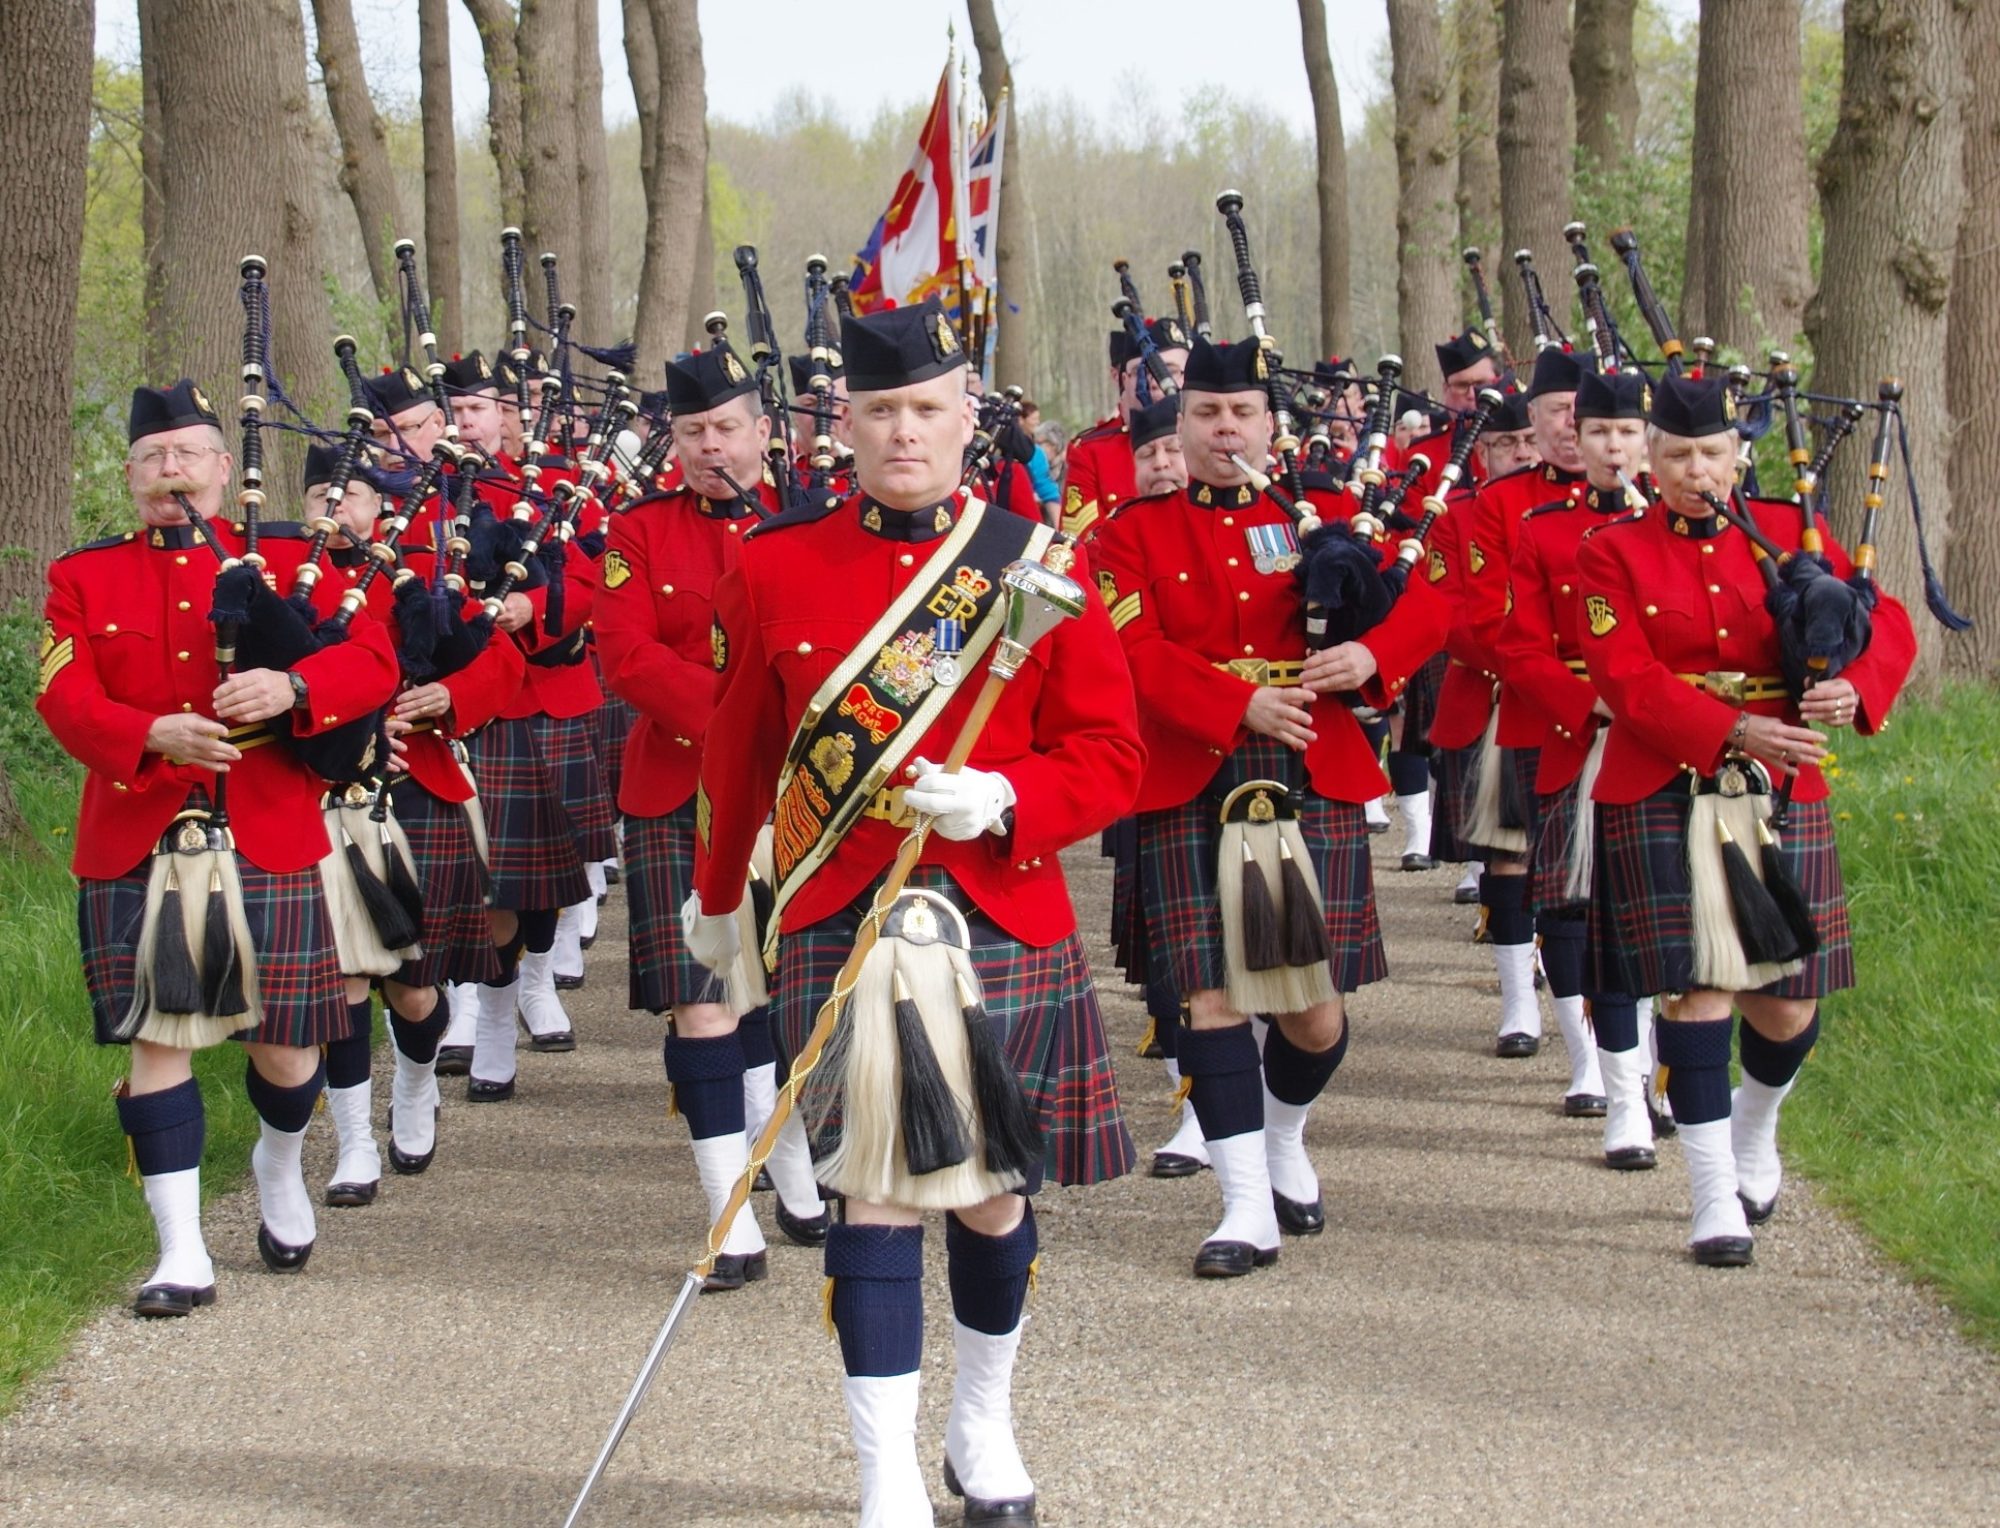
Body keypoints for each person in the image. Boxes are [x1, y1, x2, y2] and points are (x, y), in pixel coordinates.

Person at [684, 297, 1142, 1525]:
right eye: (879, 410)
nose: (903, 432)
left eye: (926, 409)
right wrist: (721, 903)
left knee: (993, 1195)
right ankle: (883, 1475)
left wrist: (1003, 792)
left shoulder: (1039, 558)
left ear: (966, 419)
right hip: (842, 910)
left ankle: (981, 1420)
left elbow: (1111, 754)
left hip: (997, 908)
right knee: (871, 1191)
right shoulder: (771, 565)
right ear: (842, 423)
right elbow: (740, 754)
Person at [37, 381, 399, 1314]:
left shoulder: (290, 557)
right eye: (154, 459)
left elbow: (372, 660)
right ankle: (181, 1252)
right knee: (159, 1040)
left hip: (268, 829)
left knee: (286, 1049)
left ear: (220, 466)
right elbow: (63, 695)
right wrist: (148, 734)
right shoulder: (84, 576)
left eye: (189, 455)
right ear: (129, 476)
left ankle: (279, 1162)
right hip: (140, 827)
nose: (173, 473)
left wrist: (292, 687)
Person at [1096, 336, 1448, 1277]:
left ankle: (1283, 1132)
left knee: (1312, 1012)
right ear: (1181, 426)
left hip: (1312, 764)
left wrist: (1376, 654)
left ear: (1267, 424)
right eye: (1206, 415)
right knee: (1209, 997)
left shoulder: (1326, 515)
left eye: (1240, 413)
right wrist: (1231, 701)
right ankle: (1243, 1206)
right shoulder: (1130, 533)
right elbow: (1129, 651)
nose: (1223, 430)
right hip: (1192, 773)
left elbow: (1433, 600)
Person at [1575, 373, 1915, 1265]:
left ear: (1738, 455)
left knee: (1787, 1001)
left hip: (1781, 784)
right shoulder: (1611, 551)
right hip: (1664, 777)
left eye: (1713, 454)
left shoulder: (1792, 535)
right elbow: (1622, 674)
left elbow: (1889, 627)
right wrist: (1726, 727)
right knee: (1698, 987)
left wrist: (1854, 685)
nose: (1697, 472)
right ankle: (1712, 1192)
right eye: (1679, 455)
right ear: (1650, 457)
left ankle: (1756, 1132)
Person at [596, 337, 830, 1291]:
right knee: (702, 1001)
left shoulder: (810, 523)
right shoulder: (638, 534)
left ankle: (790, 1162)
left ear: (762, 432)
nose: (711, 447)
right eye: (693, 432)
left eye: (727, 428)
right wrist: (739, 722)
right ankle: (728, 1209)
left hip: (794, 795)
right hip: (679, 791)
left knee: (772, 995)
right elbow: (630, 659)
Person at [303, 439, 524, 1198]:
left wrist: (451, 698)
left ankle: (418, 1080)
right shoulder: (277, 583)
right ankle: (353, 1143)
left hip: (417, 794)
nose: (336, 513)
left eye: (353, 498)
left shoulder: (416, 584)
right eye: (321, 500)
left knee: (415, 989)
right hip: (315, 801)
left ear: (380, 510)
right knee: (338, 984)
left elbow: (502, 661)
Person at [1494, 370, 1656, 1134]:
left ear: (1647, 441)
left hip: (1666, 740)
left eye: (1626, 433)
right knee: (1568, 903)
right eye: (1598, 433)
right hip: (1575, 733)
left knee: (1652, 909)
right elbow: (1519, 649)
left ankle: (1648, 1073)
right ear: (1577, 444)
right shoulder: (1545, 530)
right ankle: (1593, 1064)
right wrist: (1587, 702)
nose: (1612, 446)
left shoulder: (1681, 527)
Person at [1456, 347, 1586, 1055]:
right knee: (1513, 855)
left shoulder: (1642, 502)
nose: (1568, 425)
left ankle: (1615, 1054)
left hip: (1628, 716)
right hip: (1527, 702)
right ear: (1532, 421)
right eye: (1554, 413)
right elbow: (1484, 617)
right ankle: (1516, 1003)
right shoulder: (1502, 504)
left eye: (1578, 411)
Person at [1059, 318, 1190, 538]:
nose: (1155, 381)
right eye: (1141, 372)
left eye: (1170, 371)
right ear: (1123, 379)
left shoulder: (1211, 444)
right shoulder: (1092, 453)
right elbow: (1082, 546)